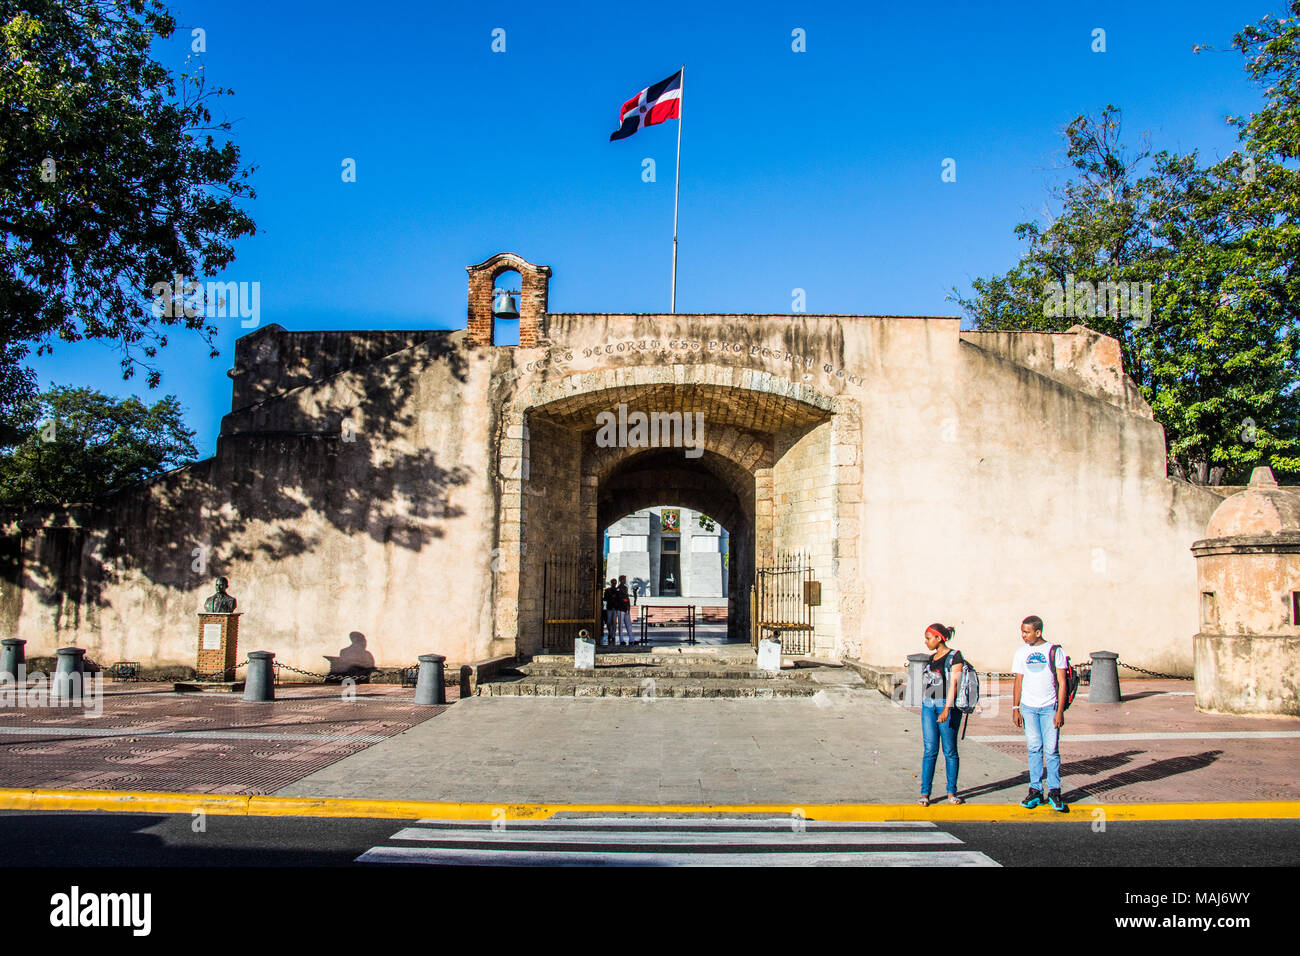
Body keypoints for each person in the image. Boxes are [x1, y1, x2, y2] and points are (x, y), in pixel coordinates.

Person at [1012, 614, 1068, 812]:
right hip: (1028, 708)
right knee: (1034, 748)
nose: (1023, 636)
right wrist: (1015, 707)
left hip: (1049, 707)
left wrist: (1059, 711)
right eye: (1022, 632)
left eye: (1027, 632)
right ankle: (1035, 789)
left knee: (1051, 750)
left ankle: (1054, 790)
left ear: (1038, 632)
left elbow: (1062, 682)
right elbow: (1018, 681)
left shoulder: (1054, 651)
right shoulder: (1021, 652)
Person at [918, 623, 964, 806]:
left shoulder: (955, 657)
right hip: (928, 706)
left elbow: (954, 684)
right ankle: (925, 793)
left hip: (946, 705)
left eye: (929, 638)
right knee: (930, 750)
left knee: (950, 750)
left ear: (939, 638)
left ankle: (951, 792)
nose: (926, 642)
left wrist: (947, 709)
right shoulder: (931, 658)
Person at [616, 575, 634, 645]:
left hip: (626, 608)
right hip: (621, 608)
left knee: (628, 624)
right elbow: (620, 599)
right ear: (621, 580)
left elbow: (627, 598)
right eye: (624, 579)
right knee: (620, 625)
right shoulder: (618, 588)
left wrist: (628, 606)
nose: (625, 580)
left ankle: (631, 638)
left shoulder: (625, 588)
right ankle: (621, 639)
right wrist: (625, 602)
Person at [601, 579, 620, 646]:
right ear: (611, 583)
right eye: (613, 583)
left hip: (615, 608)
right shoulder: (607, 590)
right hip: (609, 607)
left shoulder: (618, 590)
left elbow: (619, 598)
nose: (614, 584)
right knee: (609, 622)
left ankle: (613, 635)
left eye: (615, 583)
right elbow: (605, 598)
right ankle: (610, 632)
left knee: (614, 622)